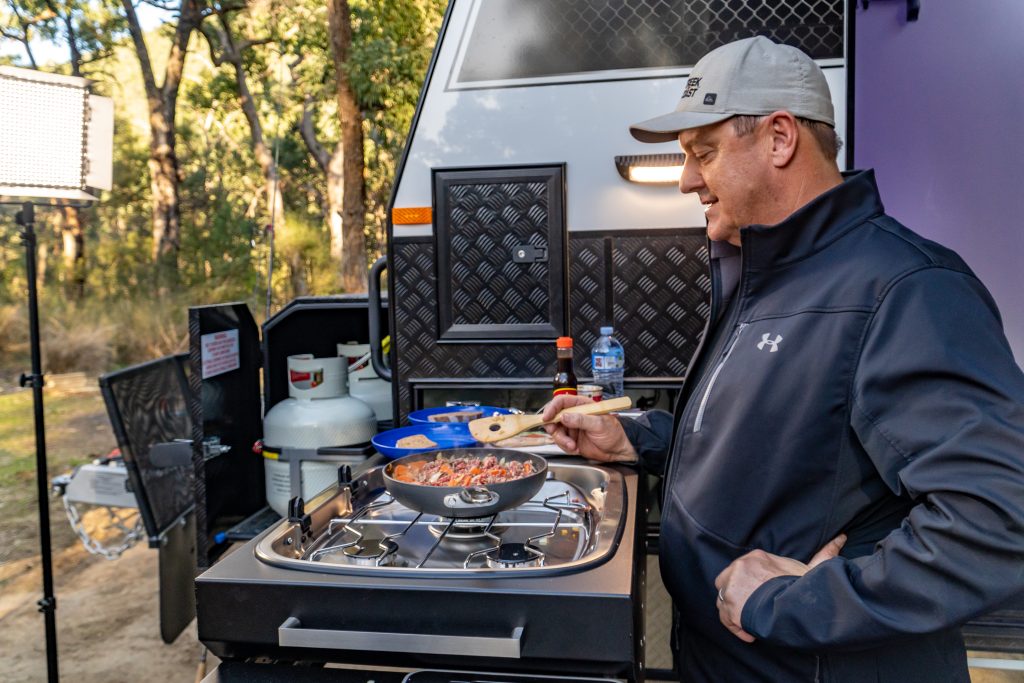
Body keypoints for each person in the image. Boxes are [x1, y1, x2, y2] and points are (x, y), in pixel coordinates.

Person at [544, 36, 1024, 682]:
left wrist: (800, 604)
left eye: (702, 154)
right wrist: (635, 438)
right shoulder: (761, 273)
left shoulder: (906, 291)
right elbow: (770, 445)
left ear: (778, 139)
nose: (687, 180)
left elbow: (998, 517)